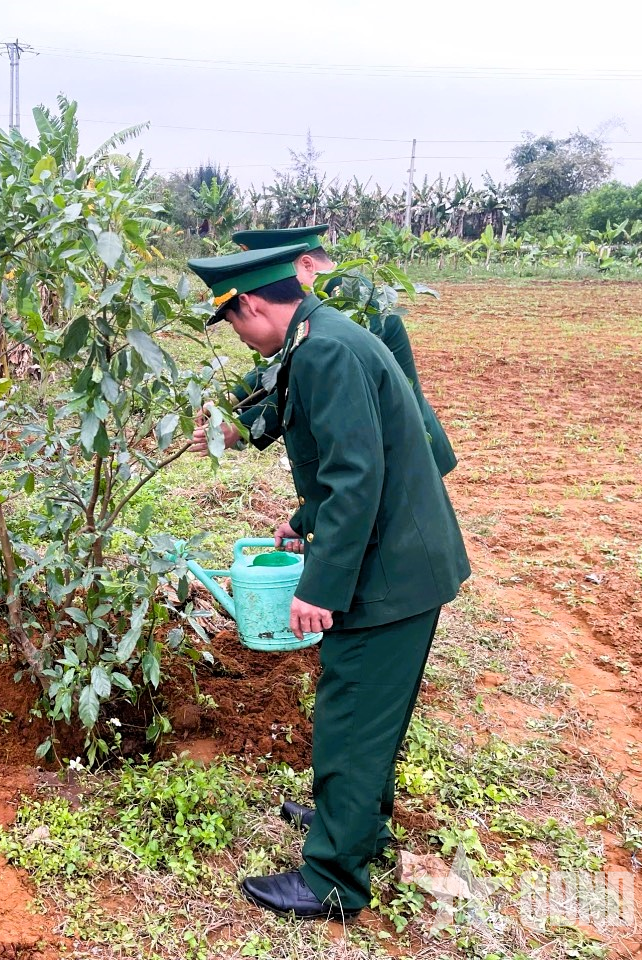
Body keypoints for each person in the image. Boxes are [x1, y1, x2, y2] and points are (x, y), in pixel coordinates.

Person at [187, 245, 471, 919]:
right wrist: (301, 519)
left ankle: (334, 881)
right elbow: (354, 457)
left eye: (233, 324)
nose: (239, 336)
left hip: (391, 570)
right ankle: (352, 825)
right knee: (369, 717)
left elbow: (356, 477)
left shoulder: (325, 352)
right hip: (400, 556)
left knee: (350, 711)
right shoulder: (321, 337)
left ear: (252, 305)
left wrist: (319, 586)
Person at [211, 225, 456, 477]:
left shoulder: (358, 301)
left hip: (402, 450)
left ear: (307, 265)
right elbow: (283, 361)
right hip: (370, 452)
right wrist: (232, 398)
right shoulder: (316, 308)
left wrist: (243, 426)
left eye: (279, 274)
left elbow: (309, 384)